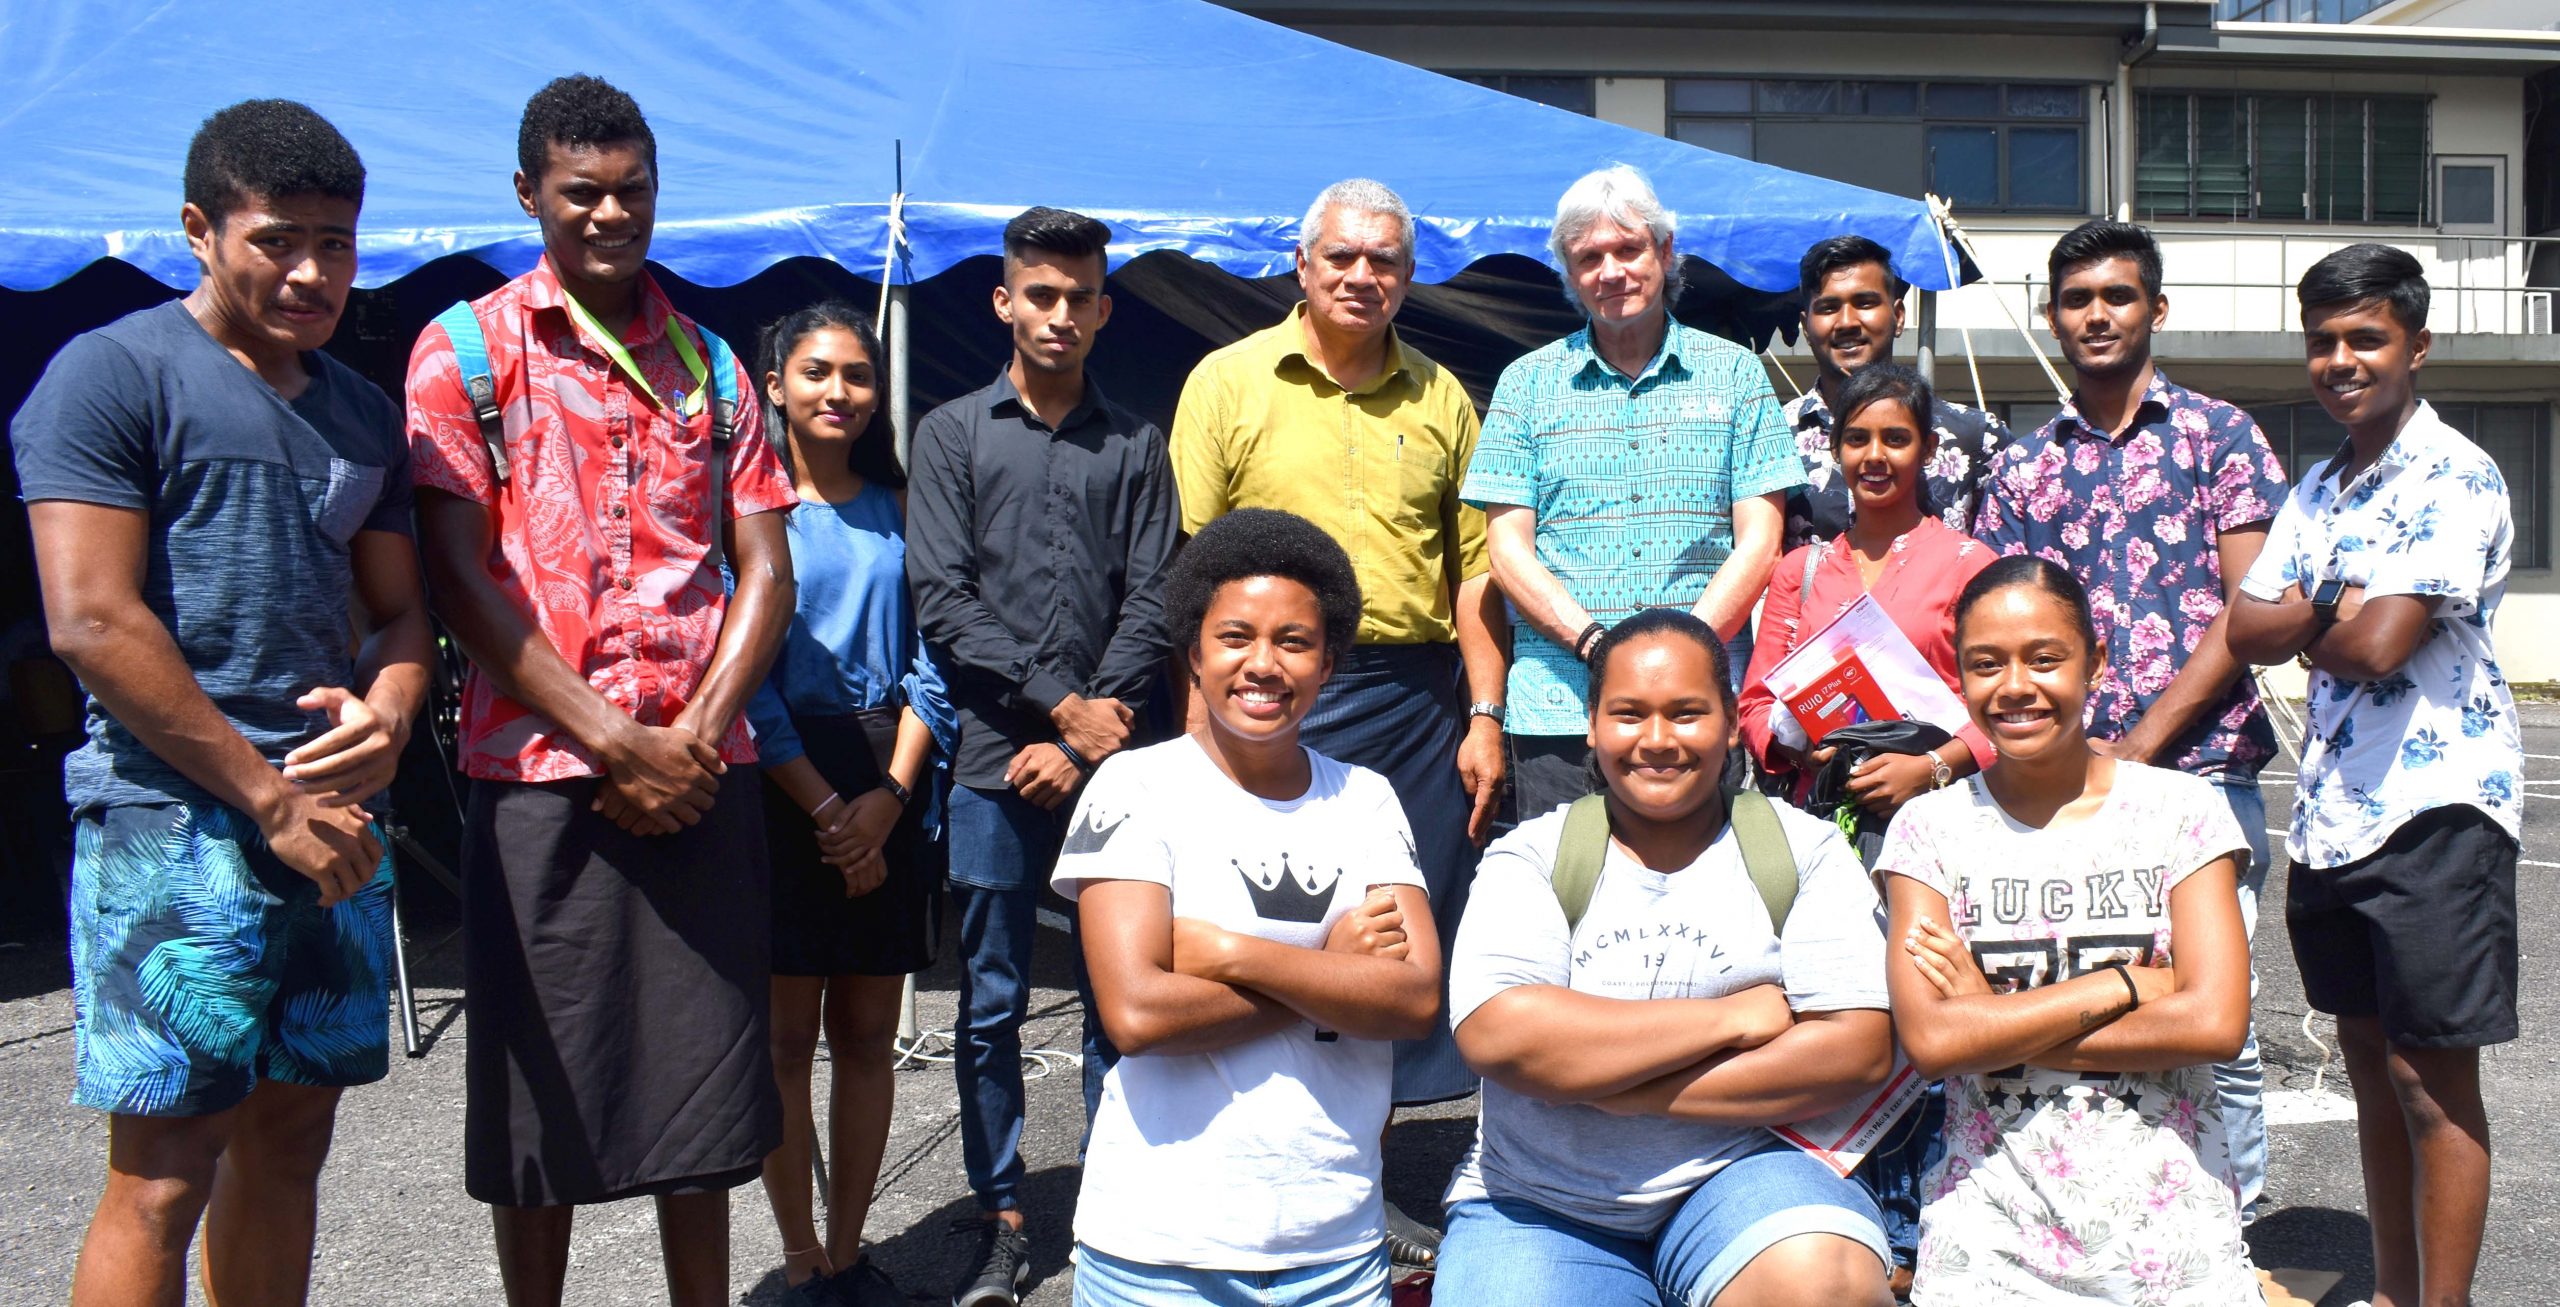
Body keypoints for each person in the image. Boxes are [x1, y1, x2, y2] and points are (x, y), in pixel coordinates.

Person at [14, 99, 430, 1307]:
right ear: (199, 229)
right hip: (174, 817)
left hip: (337, 819)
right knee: (164, 1166)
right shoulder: (113, 373)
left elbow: (403, 615)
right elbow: (90, 616)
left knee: (293, 1138)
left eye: (338, 243)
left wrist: (394, 709)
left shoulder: (361, 411)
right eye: (277, 239)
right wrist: (263, 794)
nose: (311, 272)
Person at [405, 76, 798, 1307]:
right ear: (530, 194)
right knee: (540, 1103)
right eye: (582, 193)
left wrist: (686, 737)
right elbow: (459, 577)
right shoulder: (466, 349)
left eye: (633, 189)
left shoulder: (716, 365)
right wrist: (611, 739)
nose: (611, 213)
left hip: (700, 777)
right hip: (537, 780)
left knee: (705, 1097)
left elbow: (764, 568)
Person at [1171, 179, 1506, 1262]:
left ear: (1409, 276)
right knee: (1275, 930)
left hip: (1415, 697)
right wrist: (1194, 736)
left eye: (1388, 262)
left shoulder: (1442, 395)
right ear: (1301, 265)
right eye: (1345, 259)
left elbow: (1471, 577)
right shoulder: (1227, 382)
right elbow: (1194, 575)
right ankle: (1241, 1178)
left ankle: (1364, 1180)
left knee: (1385, 942)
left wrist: (1484, 712)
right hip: (1266, 692)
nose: (1365, 277)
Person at [1432, 608, 1896, 1307]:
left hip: (1741, 1175)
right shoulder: (1531, 855)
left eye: (1686, 712)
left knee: (1823, 1280)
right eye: (1628, 713)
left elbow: (1856, 1048)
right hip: (1539, 1199)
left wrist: (1617, 1085)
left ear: (1732, 722)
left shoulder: (1804, 850)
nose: (1657, 740)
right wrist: (1738, 1016)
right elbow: (1502, 1035)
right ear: (1591, 724)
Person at [2227, 244, 2524, 1307]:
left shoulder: (2456, 473)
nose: (2340, 359)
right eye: (2322, 340)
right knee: (2365, 1068)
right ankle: (2394, 1292)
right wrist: (2329, 605)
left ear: (2417, 344)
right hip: (2336, 811)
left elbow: (2384, 643)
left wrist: (2317, 612)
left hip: (2436, 808)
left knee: (2428, 1081)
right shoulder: (2314, 485)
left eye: (2365, 337)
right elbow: (2246, 624)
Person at [1972, 218, 2286, 1216]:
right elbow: (2001, 627)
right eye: (2075, 299)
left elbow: (2249, 610)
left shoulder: (2221, 436)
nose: (2095, 314)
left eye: (2116, 295)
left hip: (2205, 777)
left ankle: (2227, 1231)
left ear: (2155, 307)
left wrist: (2142, 742)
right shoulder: (2022, 468)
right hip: (2059, 794)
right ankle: (2089, 1225)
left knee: (2217, 1028)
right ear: (2051, 317)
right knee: (2076, 1011)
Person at [1057, 508, 1441, 1307]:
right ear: (1192, 650)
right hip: (1156, 1253)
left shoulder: (1365, 799)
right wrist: (1334, 974)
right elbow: (1136, 1013)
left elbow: (1412, 999)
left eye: (1294, 642)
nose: (1262, 663)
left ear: (1329, 661)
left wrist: (1235, 954)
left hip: (1335, 1246)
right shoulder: (1136, 788)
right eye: (1235, 636)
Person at [905, 205, 1177, 1307]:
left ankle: (1121, 1203)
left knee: (1123, 995)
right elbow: (942, 599)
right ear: (1004, 300)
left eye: (1080, 297)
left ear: (1104, 309)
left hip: (1114, 766)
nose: (1060, 315)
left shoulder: (1136, 444)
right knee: (990, 1001)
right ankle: (1003, 1213)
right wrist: (1063, 707)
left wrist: (1090, 725)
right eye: (1041, 294)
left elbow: (1157, 594)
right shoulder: (951, 434)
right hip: (988, 761)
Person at [1880, 556, 2258, 1304]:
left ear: (2097, 661)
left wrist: (1990, 1017)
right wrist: (2127, 984)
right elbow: (1932, 1043)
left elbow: (2214, 1022)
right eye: (1986, 664)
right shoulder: (1928, 830)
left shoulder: (2183, 812)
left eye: (2044, 658)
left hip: (2172, 1241)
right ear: (1960, 677)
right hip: (1988, 1244)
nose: (2015, 685)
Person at [1737, 363, 1992, 1298]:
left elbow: (1999, 705)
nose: (1876, 456)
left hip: (1935, 826)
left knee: (1925, 1014)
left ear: (1926, 449)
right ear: (1834, 452)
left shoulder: (1967, 566)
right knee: (1841, 1010)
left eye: (1896, 438)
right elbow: (1757, 700)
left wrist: (1930, 767)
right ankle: (1861, 1218)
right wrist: (1797, 734)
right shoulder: (1802, 567)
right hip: (1823, 822)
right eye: (1858, 440)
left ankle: (1927, 1214)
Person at [1463, 165, 1800, 823]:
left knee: (1703, 906)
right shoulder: (1525, 385)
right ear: (1568, 271)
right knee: (1571, 898)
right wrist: (1597, 646)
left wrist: (1678, 657)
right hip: (1561, 709)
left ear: (1665, 252)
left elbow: (1761, 542)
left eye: (1628, 249)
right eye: (1589, 257)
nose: (1611, 271)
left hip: (1696, 709)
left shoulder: (1735, 375)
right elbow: (1506, 551)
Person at [739, 302, 954, 1307]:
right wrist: (829, 808)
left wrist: (889, 799)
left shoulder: (905, 509)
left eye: (858, 375)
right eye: (817, 371)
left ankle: (851, 1243)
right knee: (785, 1038)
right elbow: (745, 676)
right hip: (782, 775)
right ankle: (799, 1257)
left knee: (867, 1032)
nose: (839, 391)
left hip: (886, 766)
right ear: (773, 383)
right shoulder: (745, 511)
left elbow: (933, 660)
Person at [1779, 235, 2009, 554]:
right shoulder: (1772, 435)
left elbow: (2001, 570)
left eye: (1865, 303)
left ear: (1898, 316)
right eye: (1829, 308)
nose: (1846, 322)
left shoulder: (1976, 436)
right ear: (1806, 327)